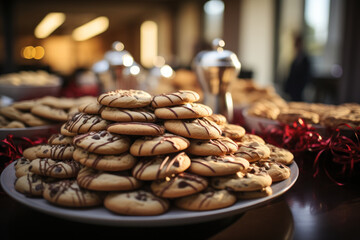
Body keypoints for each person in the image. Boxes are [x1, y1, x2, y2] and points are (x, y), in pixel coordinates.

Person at [284, 35, 312, 101]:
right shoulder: (295, 59)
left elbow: (307, 75)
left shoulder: (305, 60)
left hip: (301, 89)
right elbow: (291, 75)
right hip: (293, 90)